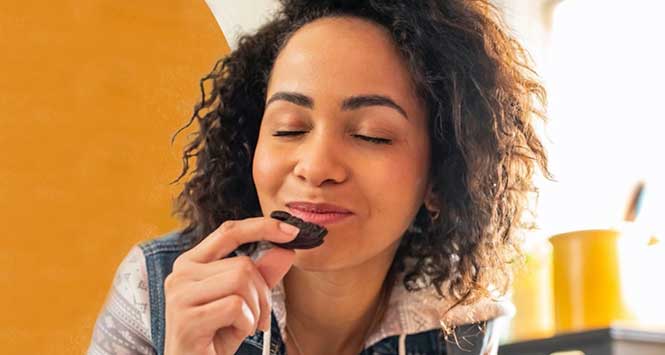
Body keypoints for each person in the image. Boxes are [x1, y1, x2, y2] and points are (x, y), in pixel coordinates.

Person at [87, 0, 550, 354]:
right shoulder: (156, 291)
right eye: (289, 128)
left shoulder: (459, 319)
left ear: (439, 176)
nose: (315, 167)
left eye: (371, 136)